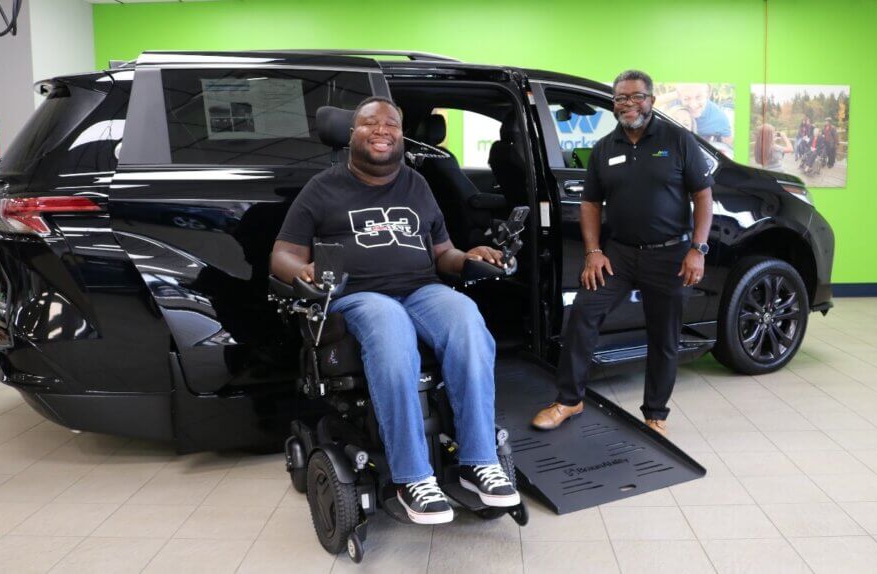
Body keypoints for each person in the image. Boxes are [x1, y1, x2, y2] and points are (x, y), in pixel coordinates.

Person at [271, 97, 519, 525]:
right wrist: (305, 270)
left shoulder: (417, 185)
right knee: (390, 325)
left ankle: (479, 461)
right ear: (352, 134)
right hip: (359, 295)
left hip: (420, 289)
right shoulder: (323, 188)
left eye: (391, 124)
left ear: (402, 135)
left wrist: (470, 256)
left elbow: (442, 251)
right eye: (370, 123)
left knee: (466, 318)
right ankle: (411, 477)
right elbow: (282, 256)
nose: (382, 130)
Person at [531, 70, 714, 437]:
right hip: (618, 254)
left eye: (636, 97)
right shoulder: (605, 147)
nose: (628, 104)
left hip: (669, 255)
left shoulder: (677, 140)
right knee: (584, 313)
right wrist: (593, 251)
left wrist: (697, 249)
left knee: (664, 336)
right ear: (613, 104)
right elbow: (589, 203)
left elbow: (702, 197)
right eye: (621, 98)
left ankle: (655, 415)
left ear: (651, 100)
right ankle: (569, 399)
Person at [660, 83, 733, 146]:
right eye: (687, 98)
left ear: (708, 94)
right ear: (679, 96)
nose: (693, 105)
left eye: (699, 97)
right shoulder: (674, 103)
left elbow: (728, 149)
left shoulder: (720, 119)